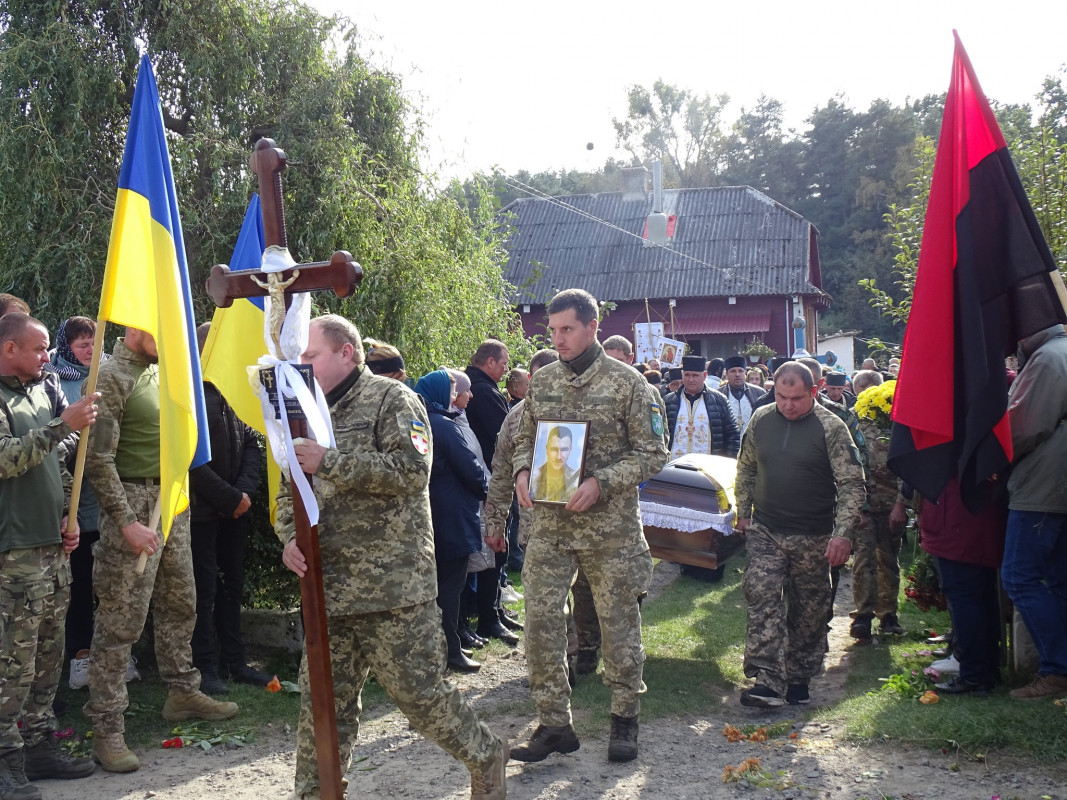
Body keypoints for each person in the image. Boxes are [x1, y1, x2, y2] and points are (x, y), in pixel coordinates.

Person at [279, 315, 506, 799]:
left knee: (421, 701)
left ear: (346, 353)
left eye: (311, 356)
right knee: (321, 707)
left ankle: (486, 755)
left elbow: (412, 471)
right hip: (326, 587)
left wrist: (331, 461)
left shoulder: (392, 399)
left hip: (393, 589)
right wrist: (288, 538)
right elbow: (286, 488)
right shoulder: (299, 410)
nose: (303, 366)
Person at [510, 288, 669, 764]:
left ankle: (624, 719)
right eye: (553, 330)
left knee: (618, 624)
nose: (557, 339)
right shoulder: (543, 383)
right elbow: (524, 437)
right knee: (540, 623)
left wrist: (602, 482)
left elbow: (654, 454)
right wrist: (522, 469)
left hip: (610, 532)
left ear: (591, 327)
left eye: (567, 329)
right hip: (552, 528)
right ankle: (554, 723)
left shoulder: (630, 385)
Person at [84, 326, 238, 774]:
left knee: (180, 604)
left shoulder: (161, 372)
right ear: (136, 326)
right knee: (120, 621)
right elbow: (97, 458)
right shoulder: (111, 376)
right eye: (161, 327)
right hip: (131, 506)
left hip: (172, 504)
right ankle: (107, 727)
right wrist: (126, 521)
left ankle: (182, 692)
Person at [1, 313, 99, 797]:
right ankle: (5, 760)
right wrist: (63, 425)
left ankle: (39, 746)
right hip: (11, 553)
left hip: (50, 548)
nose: (47, 357)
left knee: (46, 655)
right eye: (38, 349)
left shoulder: (41, 389)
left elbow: (59, 464)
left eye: (46, 349)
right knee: (9, 666)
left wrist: (69, 515)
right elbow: (7, 459)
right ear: (8, 350)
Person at [734, 362, 865, 708]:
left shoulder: (831, 427)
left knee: (810, 609)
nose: (788, 405)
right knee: (761, 593)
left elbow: (852, 483)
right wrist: (743, 511)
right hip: (767, 528)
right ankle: (767, 677)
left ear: (814, 391)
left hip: (814, 535)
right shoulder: (761, 419)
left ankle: (799, 674)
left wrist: (843, 534)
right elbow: (746, 466)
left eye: (797, 398)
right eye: (781, 396)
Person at [188, 322, 267, 695]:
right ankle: (205, 666)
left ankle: (236, 662)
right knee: (203, 590)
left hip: (236, 506)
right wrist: (228, 497)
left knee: (231, 587)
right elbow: (188, 458)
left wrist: (243, 493)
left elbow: (253, 440)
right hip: (202, 510)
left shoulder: (235, 388)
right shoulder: (186, 392)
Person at [1001, 323, 1067, 699]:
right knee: (1058, 579)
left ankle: (1057, 669)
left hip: (1043, 485)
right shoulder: (1060, 351)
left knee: (1019, 576)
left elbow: (1022, 427)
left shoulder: (1046, 358)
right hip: (1056, 481)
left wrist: (992, 461)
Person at [47, 316, 109, 689]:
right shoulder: (54, 380)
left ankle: (108, 652)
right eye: (83, 344)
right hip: (71, 499)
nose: (89, 350)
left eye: (94, 343)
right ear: (67, 346)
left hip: (102, 498)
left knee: (105, 580)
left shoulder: (106, 377)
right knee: (78, 580)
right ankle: (79, 655)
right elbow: (54, 436)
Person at [416, 369, 489, 674]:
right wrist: (489, 490)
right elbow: (470, 468)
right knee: (450, 586)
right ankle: (451, 652)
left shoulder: (420, 422)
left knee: (438, 585)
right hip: (453, 514)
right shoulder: (444, 426)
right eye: (450, 391)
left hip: (432, 513)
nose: (455, 397)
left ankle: (443, 646)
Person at [921, 476, 1007, 695]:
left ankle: (974, 675)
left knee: (965, 597)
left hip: (956, 519)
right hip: (977, 515)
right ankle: (988, 669)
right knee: (983, 596)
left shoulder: (955, 445)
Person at [847, 376, 908, 639]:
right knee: (863, 558)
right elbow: (848, 464)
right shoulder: (851, 422)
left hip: (891, 501)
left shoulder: (895, 422)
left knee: (889, 559)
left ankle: (888, 613)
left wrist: (902, 505)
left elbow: (906, 466)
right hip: (864, 502)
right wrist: (856, 507)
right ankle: (863, 615)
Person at [663, 355, 740, 458]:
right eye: (687, 375)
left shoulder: (720, 400)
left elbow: (732, 435)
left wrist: (728, 463)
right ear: (682, 375)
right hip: (674, 466)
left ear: (704, 375)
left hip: (708, 467)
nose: (690, 379)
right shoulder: (668, 401)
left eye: (695, 375)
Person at [529, 425, 582, 503]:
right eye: (554, 449)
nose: (559, 457)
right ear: (547, 449)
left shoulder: (577, 479)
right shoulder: (532, 477)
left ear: (571, 449)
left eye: (564, 450)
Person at [717, 355, 766, 436]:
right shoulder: (718, 395)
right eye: (733, 371)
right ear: (726, 374)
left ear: (745, 373)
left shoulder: (759, 393)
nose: (737, 374)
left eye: (740, 371)